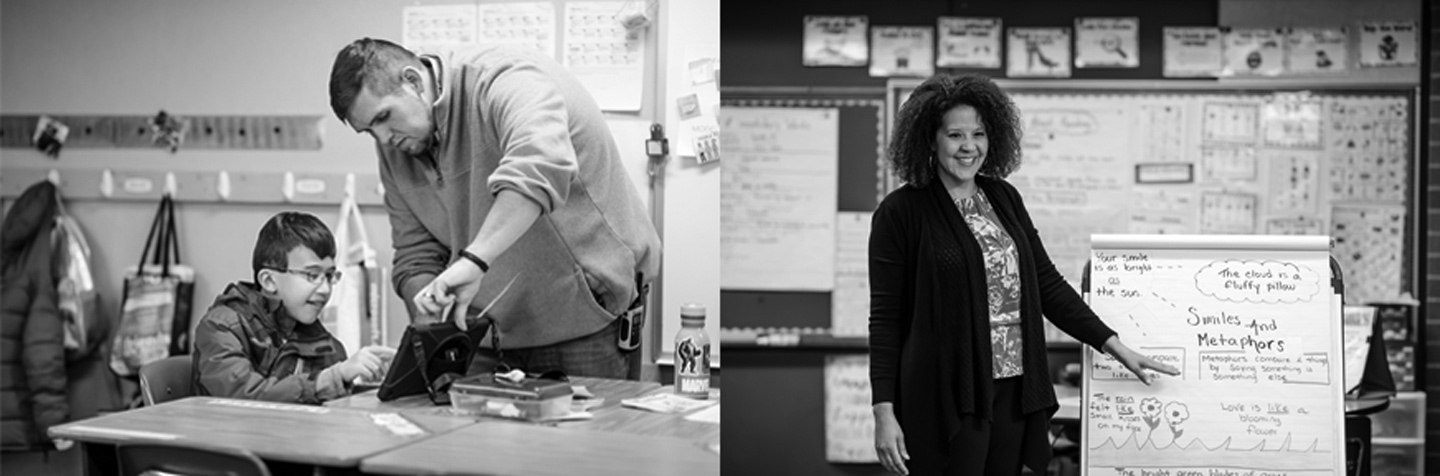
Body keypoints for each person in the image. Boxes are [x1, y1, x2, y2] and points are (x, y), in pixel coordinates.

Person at [868, 73, 1180, 476]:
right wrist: (883, 411)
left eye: (978, 134)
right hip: (945, 393)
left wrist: (1113, 345)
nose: (969, 147)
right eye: (955, 135)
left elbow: (1045, 283)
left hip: (1014, 387)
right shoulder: (901, 212)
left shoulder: (1002, 197)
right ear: (930, 139)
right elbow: (886, 320)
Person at [327, 39, 660, 379]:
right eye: (369, 130)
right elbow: (415, 252)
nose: (384, 139)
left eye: (384, 117)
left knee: (592, 431)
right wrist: (428, 307)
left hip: (586, 319)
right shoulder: (394, 147)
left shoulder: (503, 80)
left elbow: (538, 167)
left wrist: (473, 261)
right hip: (485, 332)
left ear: (413, 81)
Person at [192, 212, 395, 404]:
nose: (325, 289)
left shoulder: (327, 346)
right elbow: (243, 398)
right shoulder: (221, 327)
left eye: (329, 276)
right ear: (269, 280)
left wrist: (381, 383)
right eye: (311, 275)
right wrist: (332, 377)